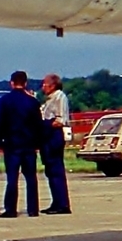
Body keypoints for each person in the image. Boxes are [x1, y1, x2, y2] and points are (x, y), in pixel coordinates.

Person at [0, 70, 44, 218]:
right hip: (29, 144)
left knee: (12, 178)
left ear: (11, 83)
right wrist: (37, 143)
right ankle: (33, 209)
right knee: (31, 178)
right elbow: (38, 125)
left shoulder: (3, 102)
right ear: (26, 83)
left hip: (11, 144)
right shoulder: (33, 102)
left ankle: (11, 209)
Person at [39, 73, 72, 215]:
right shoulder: (48, 99)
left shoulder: (59, 97)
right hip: (46, 137)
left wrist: (44, 125)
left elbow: (60, 119)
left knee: (56, 170)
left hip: (54, 136)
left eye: (45, 84)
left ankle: (62, 204)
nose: (43, 87)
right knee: (50, 171)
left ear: (52, 85)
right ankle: (56, 201)